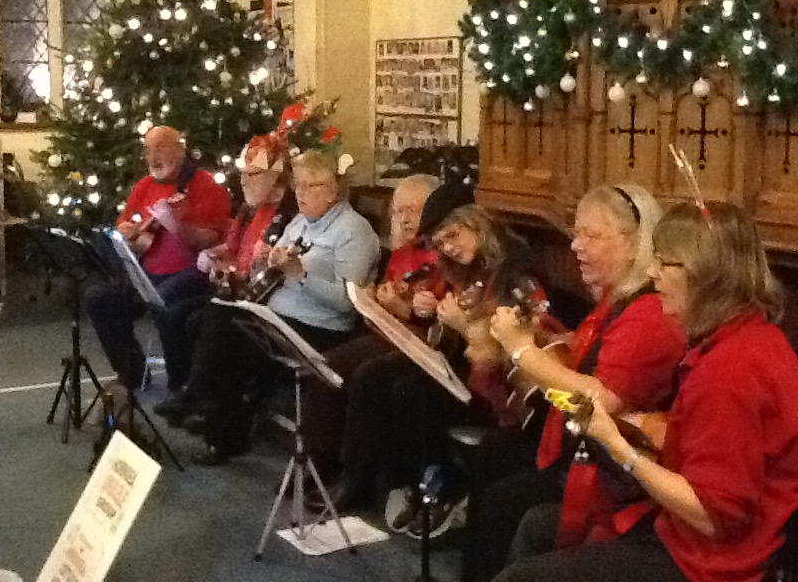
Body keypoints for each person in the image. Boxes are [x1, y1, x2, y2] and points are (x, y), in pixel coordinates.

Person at [493, 202, 798, 582]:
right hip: (692, 535)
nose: (652, 273)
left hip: (709, 563)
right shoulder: (753, 336)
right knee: (536, 530)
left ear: (708, 277)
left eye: (667, 263)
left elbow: (715, 514)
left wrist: (620, 449)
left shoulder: (731, 369)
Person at [459, 184, 686, 582]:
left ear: (636, 244)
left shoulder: (649, 313)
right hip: (584, 451)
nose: (576, 246)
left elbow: (599, 398)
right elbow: (584, 364)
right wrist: (545, 341)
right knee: (493, 458)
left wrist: (521, 350)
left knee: (504, 506)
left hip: (614, 476)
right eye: (576, 233)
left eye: (592, 236)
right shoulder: (617, 301)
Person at [320, 185, 551, 532]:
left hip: (497, 384)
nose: (448, 248)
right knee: (374, 374)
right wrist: (431, 316)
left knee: (410, 391)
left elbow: (513, 343)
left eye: (453, 236)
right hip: (463, 363)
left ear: (477, 225)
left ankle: (437, 483)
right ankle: (365, 477)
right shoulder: (464, 268)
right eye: (440, 244)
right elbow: (451, 330)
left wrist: (460, 323)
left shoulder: (514, 271)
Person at [171, 149, 381, 465]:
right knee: (206, 317)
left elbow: (347, 303)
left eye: (313, 186)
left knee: (222, 330)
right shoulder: (300, 222)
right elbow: (271, 275)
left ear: (334, 189)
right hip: (278, 313)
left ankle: (206, 409)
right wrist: (262, 263)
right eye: (298, 185)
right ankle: (212, 413)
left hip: (319, 328)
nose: (303, 193)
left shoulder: (354, 230)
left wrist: (300, 273)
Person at [299, 173, 442, 483]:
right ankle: (317, 465)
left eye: (414, 211)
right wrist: (372, 300)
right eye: (399, 211)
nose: (405, 220)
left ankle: (352, 476)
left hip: (417, 347)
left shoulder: (441, 256)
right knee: (324, 367)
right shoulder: (403, 253)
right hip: (386, 334)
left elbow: (436, 326)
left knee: (363, 376)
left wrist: (399, 308)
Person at [153, 132, 296, 410]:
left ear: (275, 177)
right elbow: (234, 246)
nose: (243, 180)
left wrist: (230, 268)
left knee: (195, 318)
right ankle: (184, 387)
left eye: (252, 174)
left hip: (252, 295)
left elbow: (266, 268)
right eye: (244, 173)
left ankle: (198, 394)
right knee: (173, 313)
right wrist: (217, 256)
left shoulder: (286, 213)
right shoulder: (250, 207)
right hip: (231, 284)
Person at [85, 126, 231, 393]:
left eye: (161, 147)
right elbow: (123, 227)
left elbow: (212, 240)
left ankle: (181, 387)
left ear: (181, 149)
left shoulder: (205, 186)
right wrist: (128, 233)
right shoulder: (144, 186)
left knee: (163, 300)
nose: (153, 155)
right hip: (145, 273)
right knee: (99, 299)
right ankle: (132, 373)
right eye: (148, 149)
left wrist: (179, 224)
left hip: (191, 273)